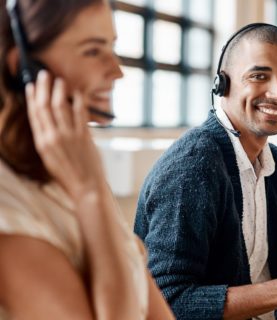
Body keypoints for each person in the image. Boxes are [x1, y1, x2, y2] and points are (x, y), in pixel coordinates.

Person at [134, 23, 277, 320]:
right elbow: (165, 300)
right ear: (223, 85)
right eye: (259, 76)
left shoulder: (275, 166)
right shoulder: (194, 166)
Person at [0, 0, 174, 319]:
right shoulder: (10, 209)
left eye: (112, 47)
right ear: (23, 67)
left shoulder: (76, 168)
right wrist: (90, 193)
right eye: (93, 51)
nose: (117, 71)